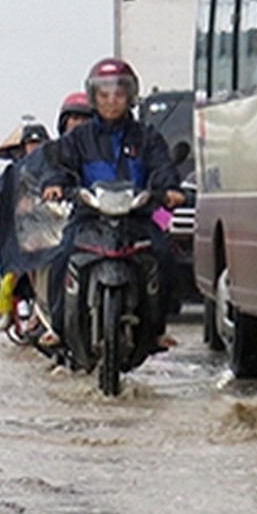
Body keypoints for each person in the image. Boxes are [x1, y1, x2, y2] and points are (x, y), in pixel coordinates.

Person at [41, 59, 185, 348]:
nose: (111, 101)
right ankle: (58, 328)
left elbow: (162, 167)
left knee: (165, 256)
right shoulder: (78, 138)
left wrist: (169, 189)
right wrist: (54, 184)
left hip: (137, 219)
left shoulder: (147, 136)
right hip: (88, 218)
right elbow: (60, 165)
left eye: (119, 94)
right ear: (94, 97)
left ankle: (157, 328)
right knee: (61, 257)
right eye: (104, 94)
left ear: (130, 96)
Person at [0, 122, 51, 330]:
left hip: (46, 230)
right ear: (24, 146)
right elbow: (1, 196)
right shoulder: (13, 171)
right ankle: (7, 311)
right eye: (31, 143)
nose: (35, 147)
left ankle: (43, 314)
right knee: (10, 274)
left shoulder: (53, 169)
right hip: (17, 232)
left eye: (38, 142)